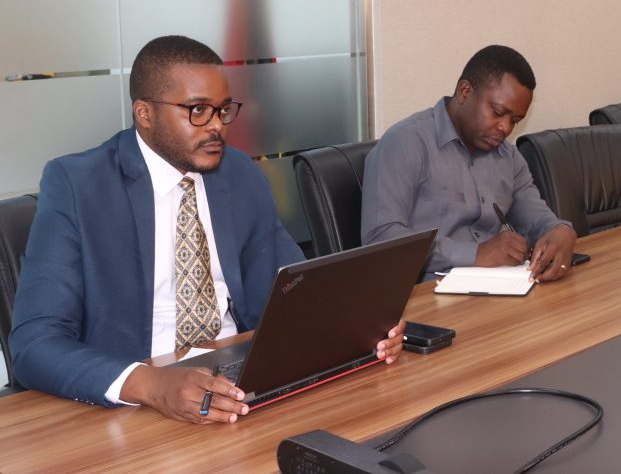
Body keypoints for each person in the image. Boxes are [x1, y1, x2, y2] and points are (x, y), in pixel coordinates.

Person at [9, 36, 404, 424]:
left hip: (236, 382)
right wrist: (151, 385)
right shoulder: (78, 186)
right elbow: (34, 343)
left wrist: (358, 326)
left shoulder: (240, 174)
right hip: (133, 405)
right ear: (144, 113)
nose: (217, 127)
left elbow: (296, 288)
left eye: (223, 110)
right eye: (198, 110)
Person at [361, 45, 577, 281]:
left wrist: (561, 231)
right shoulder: (406, 143)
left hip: (494, 289)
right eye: (498, 112)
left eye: (515, 120)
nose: (506, 128)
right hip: (424, 293)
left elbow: (537, 219)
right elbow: (380, 240)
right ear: (465, 91)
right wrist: (476, 253)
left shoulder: (508, 157)